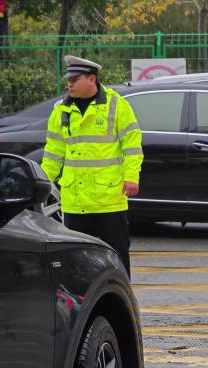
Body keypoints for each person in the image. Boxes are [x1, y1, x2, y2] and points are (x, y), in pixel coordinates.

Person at [41, 55, 143, 277]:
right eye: (68, 79)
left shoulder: (117, 106)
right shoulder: (61, 110)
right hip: (75, 202)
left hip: (109, 201)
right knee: (76, 260)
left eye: (75, 79)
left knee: (116, 256)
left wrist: (131, 177)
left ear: (92, 79)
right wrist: (41, 184)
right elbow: (53, 153)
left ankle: (120, 301)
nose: (69, 84)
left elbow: (132, 146)